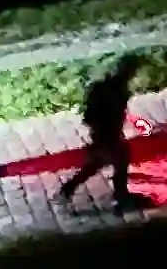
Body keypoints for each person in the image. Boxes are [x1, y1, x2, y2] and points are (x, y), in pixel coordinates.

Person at [56, 53, 147, 212]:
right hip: (106, 133)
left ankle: (68, 190)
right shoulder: (112, 88)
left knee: (97, 163)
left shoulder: (111, 86)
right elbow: (103, 112)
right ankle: (120, 196)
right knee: (118, 158)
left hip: (106, 132)